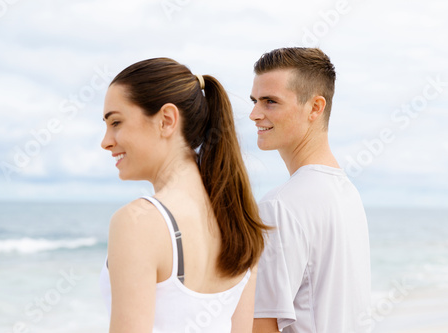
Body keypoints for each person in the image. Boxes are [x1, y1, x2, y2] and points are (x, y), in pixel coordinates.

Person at [98, 57, 269, 332]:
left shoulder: (137, 222)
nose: (106, 141)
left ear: (166, 120)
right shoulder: (241, 222)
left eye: (116, 122)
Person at [250, 48, 371, 333]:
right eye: (255, 101)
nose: (254, 114)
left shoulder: (279, 206)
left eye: (270, 102)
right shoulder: (347, 194)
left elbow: (261, 327)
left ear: (316, 107)